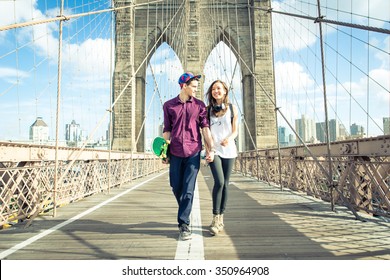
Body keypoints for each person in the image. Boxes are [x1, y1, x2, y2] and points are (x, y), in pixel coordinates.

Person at [162, 72, 215, 240]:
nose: (196, 90)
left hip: (193, 151)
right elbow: (167, 130)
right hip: (175, 152)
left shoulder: (200, 106)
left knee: (188, 188)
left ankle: (183, 224)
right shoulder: (169, 106)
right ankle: (185, 209)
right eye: (193, 86)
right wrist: (164, 151)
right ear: (183, 86)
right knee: (176, 186)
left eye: (197, 87)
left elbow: (205, 128)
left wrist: (210, 148)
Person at [205, 80, 238, 236]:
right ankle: (215, 217)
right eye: (213, 89)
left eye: (218, 88)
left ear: (225, 90)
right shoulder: (207, 111)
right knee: (219, 181)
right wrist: (209, 150)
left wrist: (229, 139)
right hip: (215, 151)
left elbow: (235, 131)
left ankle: (221, 218)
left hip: (229, 150)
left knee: (225, 184)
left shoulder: (232, 108)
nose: (215, 91)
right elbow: (205, 133)